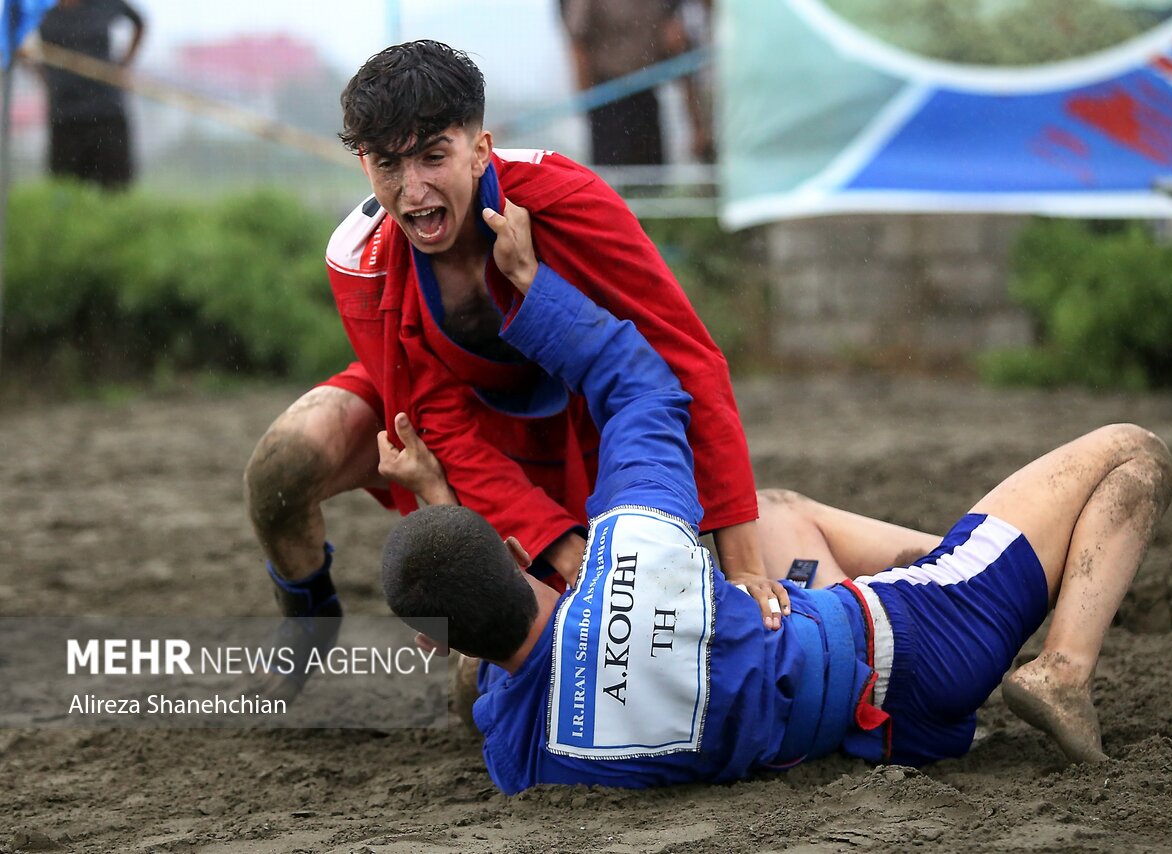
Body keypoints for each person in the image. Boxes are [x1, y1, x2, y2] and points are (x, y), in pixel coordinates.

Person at [379, 201, 1172, 792]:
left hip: (873, 733)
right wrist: (532, 287)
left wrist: (436, 502)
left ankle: (979, 563)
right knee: (1131, 455)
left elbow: (499, 678)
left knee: (781, 508)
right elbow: (644, 388)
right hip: (919, 643)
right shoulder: (635, 554)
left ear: (452, 647)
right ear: (519, 553)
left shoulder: (519, 758)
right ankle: (1062, 668)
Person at [244, 40, 790, 697]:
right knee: (279, 469)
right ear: (364, 163)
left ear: (480, 149)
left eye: (433, 156)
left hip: (574, 423)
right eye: (388, 163)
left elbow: (686, 361)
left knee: (510, 681)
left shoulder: (570, 204)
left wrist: (743, 566)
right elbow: (429, 427)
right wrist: (551, 546)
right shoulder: (361, 259)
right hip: (442, 423)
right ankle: (306, 621)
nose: (412, 189)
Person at [561, 0, 709, 165]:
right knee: (613, 174)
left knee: (648, 175)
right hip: (607, 98)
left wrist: (697, 124)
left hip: (646, 93)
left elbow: (677, 43)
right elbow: (578, 43)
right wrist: (587, 102)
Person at [36, 0, 145, 189]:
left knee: (115, 188)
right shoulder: (41, 10)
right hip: (65, 115)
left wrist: (125, 64)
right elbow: (17, 39)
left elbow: (139, 22)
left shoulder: (104, 4)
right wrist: (41, 74)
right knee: (65, 189)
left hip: (106, 112)